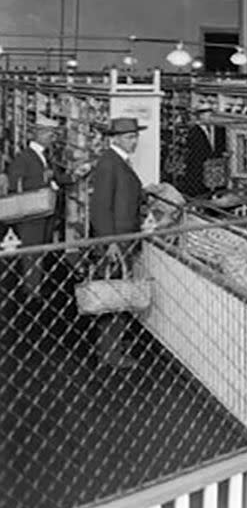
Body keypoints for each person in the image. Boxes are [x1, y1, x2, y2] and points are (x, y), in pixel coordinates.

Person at [89, 117, 147, 370]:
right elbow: (100, 207)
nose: (134, 141)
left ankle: (112, 345)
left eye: (135, 136)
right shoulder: (109, 163)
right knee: (114, 295)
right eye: (128, 137)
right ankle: (110, 353)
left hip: (122, 238)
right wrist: (110, 241)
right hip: (116, 241)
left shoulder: (116, 161)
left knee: (117, 293)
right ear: (115, 138)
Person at [6, 113, 59, 248]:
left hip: (41, 211)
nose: (53, 139)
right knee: (32, 252)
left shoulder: (43, 155)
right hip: (31, 215)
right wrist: (43, 182)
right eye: (51, 135)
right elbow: (14, 184)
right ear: (40, 134)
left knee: (40, 249)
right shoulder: (24, 158)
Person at [180, 102, 217, 198]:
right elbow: (196, 153)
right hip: (197, 169)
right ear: (201, 116)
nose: (210, 117)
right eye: (207, 114)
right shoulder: (195, 132)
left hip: (207, 168)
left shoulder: (211, 130)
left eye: (210, 114)